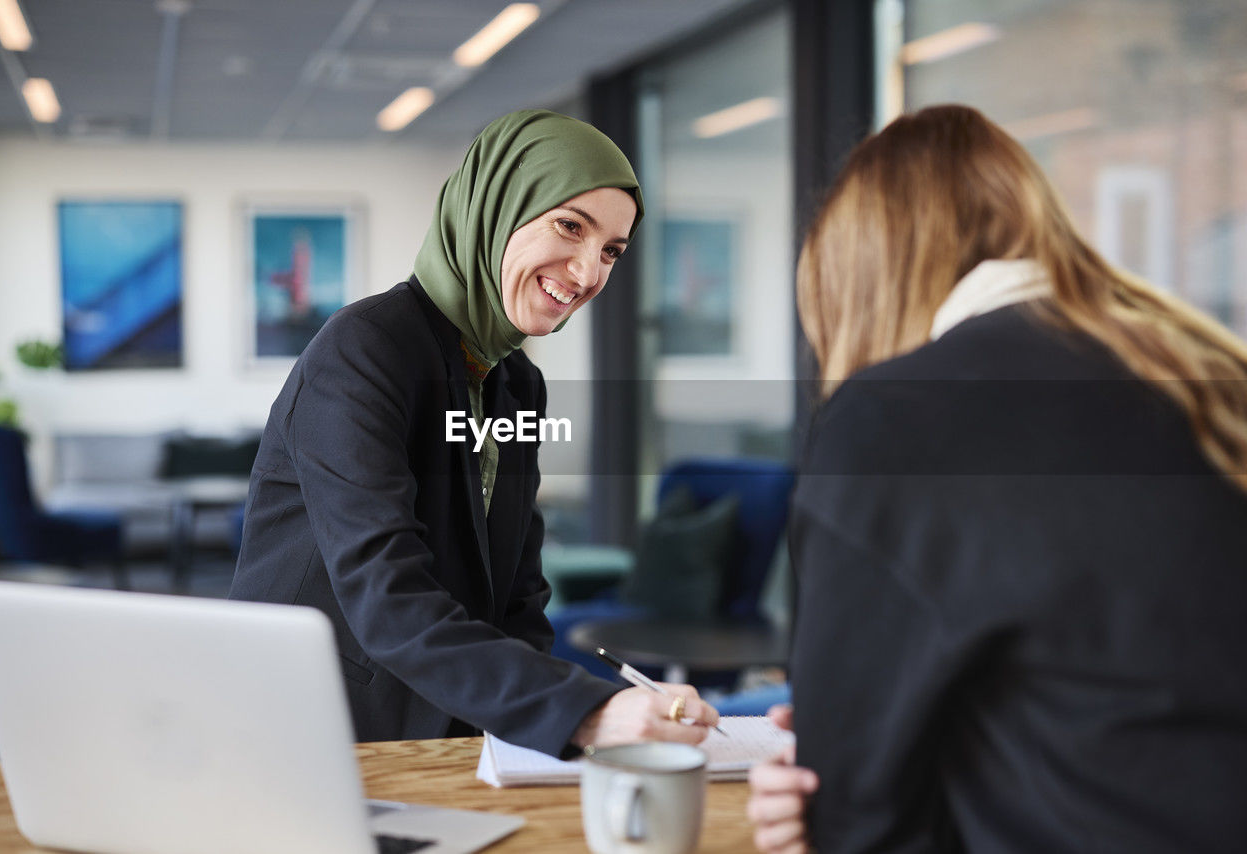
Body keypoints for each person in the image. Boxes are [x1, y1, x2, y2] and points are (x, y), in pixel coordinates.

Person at [748, 104, 1247, 852]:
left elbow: (860, 824)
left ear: (860, 284)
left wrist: (815, 801)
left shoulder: (898, 416)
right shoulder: (1205, 374)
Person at [230, 110, 717, 757]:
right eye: (570, 227)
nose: (587, 271)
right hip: (311, 728)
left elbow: (517, 595)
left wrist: (550, 733)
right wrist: (581, 711)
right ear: (495, 208)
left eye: (611, 252)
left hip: (445, 730)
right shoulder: (364, 350)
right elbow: (388, 594)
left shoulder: (515, 381)